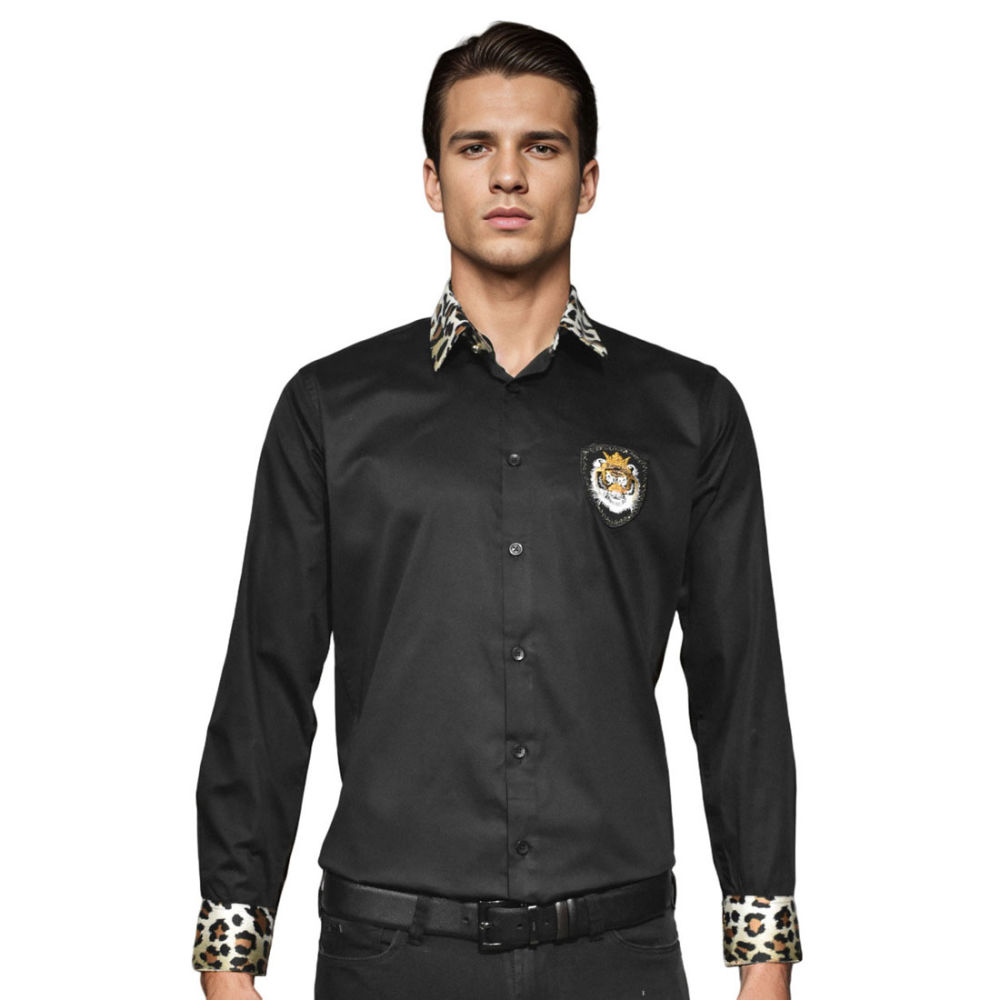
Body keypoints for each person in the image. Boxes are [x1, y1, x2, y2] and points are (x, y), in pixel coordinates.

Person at [191, 20, 802, 1000]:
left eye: (541, 147)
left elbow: (742, 698)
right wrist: (229, 959)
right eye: (475, 147)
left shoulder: (688, 413)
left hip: (618, 957)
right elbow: (266, 686)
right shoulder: (331, 411)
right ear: (433, 180)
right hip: (390, 956)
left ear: (588, 181)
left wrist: (763, 958)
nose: (508, 176)